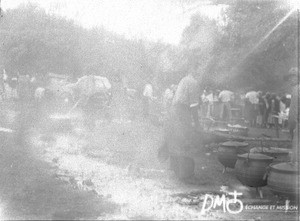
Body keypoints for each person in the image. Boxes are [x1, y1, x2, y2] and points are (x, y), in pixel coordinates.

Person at [158, 66, 200, 180]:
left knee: (174, 138)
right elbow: (194, 106)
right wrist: (197, 124)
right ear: (195, 71)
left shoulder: (183, 79)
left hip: (174, 111)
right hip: (181, 112)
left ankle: (173, 167)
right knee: (182, 138)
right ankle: (182, 172)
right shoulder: (193, 82)